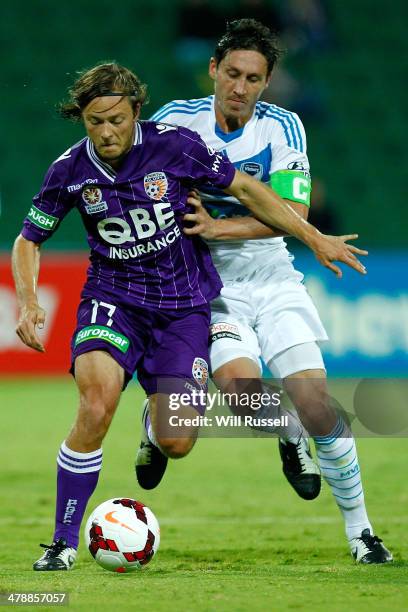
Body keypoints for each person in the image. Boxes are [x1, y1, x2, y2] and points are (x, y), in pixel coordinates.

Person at [11, 61, 364, 572]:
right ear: (82, 120)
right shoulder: (69, 170)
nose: (106, 132)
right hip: (113, 300)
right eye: (94, 122)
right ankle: (62, 542)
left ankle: (155, 422)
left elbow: (247, 190)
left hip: (183, 308)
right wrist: (28, 300)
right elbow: (29, 239)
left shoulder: (175, 146)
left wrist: (313, 237)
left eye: (116, 119)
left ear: (137, 111)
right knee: (95, 403)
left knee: (176, 441)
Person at [135, 20, 392, 564]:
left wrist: (219, 225)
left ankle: (361, 534)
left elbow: (292, 216)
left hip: (272, 274)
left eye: (254, 78)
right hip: (207, 282)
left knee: (317, 404)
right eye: (232, 73)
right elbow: (140, 187)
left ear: (268, 81)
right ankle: (255, 430)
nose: (240, 87)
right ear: (213, 69)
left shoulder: (283, 127)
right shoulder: (174, 121)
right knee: (246, 397)